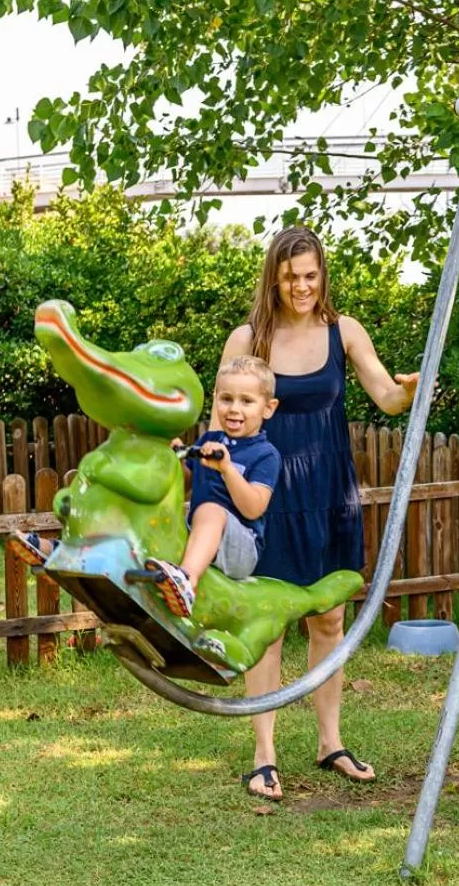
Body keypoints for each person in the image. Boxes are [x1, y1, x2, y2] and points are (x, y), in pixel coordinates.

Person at [222, 226, 419, 797]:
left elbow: (385, 396)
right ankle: (264, 755)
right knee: (271, 621)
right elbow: (221, 422)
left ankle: (330, 742)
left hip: (331, 492)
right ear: (274, 278)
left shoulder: (345, 332)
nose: (302, 286)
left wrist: (409, 389)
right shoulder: (248, 338)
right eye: (291, 277)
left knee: (328, 619)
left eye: (311, 275)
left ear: (322, 274)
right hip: (268, 496)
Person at [145, 354, 282, 617]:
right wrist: (172, 457)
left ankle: (186, 581)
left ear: (268, 408)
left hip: (242, 548)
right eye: (226, 398)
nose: (234, 409)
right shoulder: (210, 439)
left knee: (210, 510)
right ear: (216, 398)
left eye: (247, 401)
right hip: (200, 533)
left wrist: (227, 470)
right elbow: (184, 482)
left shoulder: (265, 454)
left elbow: (254, 508)